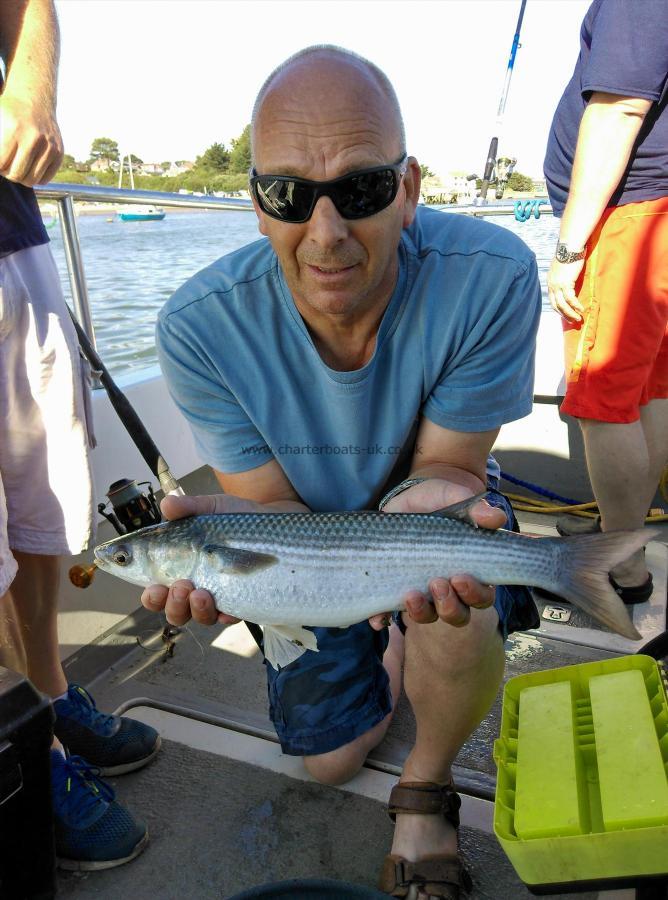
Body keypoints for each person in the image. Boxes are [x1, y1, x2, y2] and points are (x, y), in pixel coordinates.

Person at [143, 45, 541, 898]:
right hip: (309, 539)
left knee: (456, 594)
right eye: (289, 195)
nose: (325, 235)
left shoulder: (495, 275)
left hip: (428, 507)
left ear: (408, 190)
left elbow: (447, 466)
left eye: (359, 190)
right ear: (257, 206)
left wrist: (427, 521)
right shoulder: (197, 329)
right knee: (329, 762)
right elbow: (271, 508)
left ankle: (425, 784)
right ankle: (384, 633)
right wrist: (237, 560)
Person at [0, 0, 158, 870]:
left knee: (40, 513)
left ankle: (47, 694)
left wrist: (28, 87)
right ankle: (24, 750)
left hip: (10, 238)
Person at [544, 0, 668, 603]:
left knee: (605, 400)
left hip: (631, 216)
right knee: (650, 390)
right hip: (657, 216)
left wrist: (569, 248)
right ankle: (623, 538)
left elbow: (620, 106)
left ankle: (621, 568)